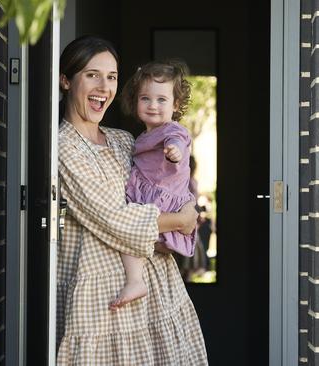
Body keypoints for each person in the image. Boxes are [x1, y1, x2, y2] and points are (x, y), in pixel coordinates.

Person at [57, 35, 208, 365]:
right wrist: (181, 221)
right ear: (66, 80)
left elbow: (170, 181)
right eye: (92, 74)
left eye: (111, 77)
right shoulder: (63, 148)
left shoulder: (125, 140)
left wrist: (185, 208)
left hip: (160, 291)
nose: (104, 86)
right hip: (103, 298)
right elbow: (114, 218)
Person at [110, 60, 197, 309]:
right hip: (147, 198)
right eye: (145, 98)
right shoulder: (142, 136)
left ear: (175, 105)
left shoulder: (172, 130)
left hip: (162, 201)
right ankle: (136, 280)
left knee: (131, 235)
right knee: (133, 239)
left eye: (161, 100)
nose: (153, 105)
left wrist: (175, 151)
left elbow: (178, 140)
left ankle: (136, 280)